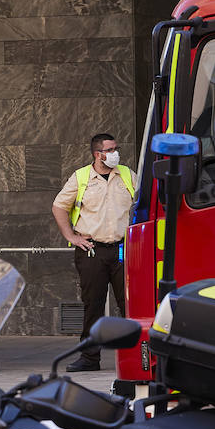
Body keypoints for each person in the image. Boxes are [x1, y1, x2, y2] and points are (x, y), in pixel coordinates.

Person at [52, 133, 136, 372]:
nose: (115, 153)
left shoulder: (127, 175)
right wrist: (71, 236)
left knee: (129, 304)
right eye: (110, 149)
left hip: (123, 250)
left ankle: (133, 356)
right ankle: (89, 358)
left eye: (116, 148)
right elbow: (59, 206)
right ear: (97, 154)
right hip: (92, 251)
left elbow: (143, 203)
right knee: (93, 305)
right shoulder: (81, 177)